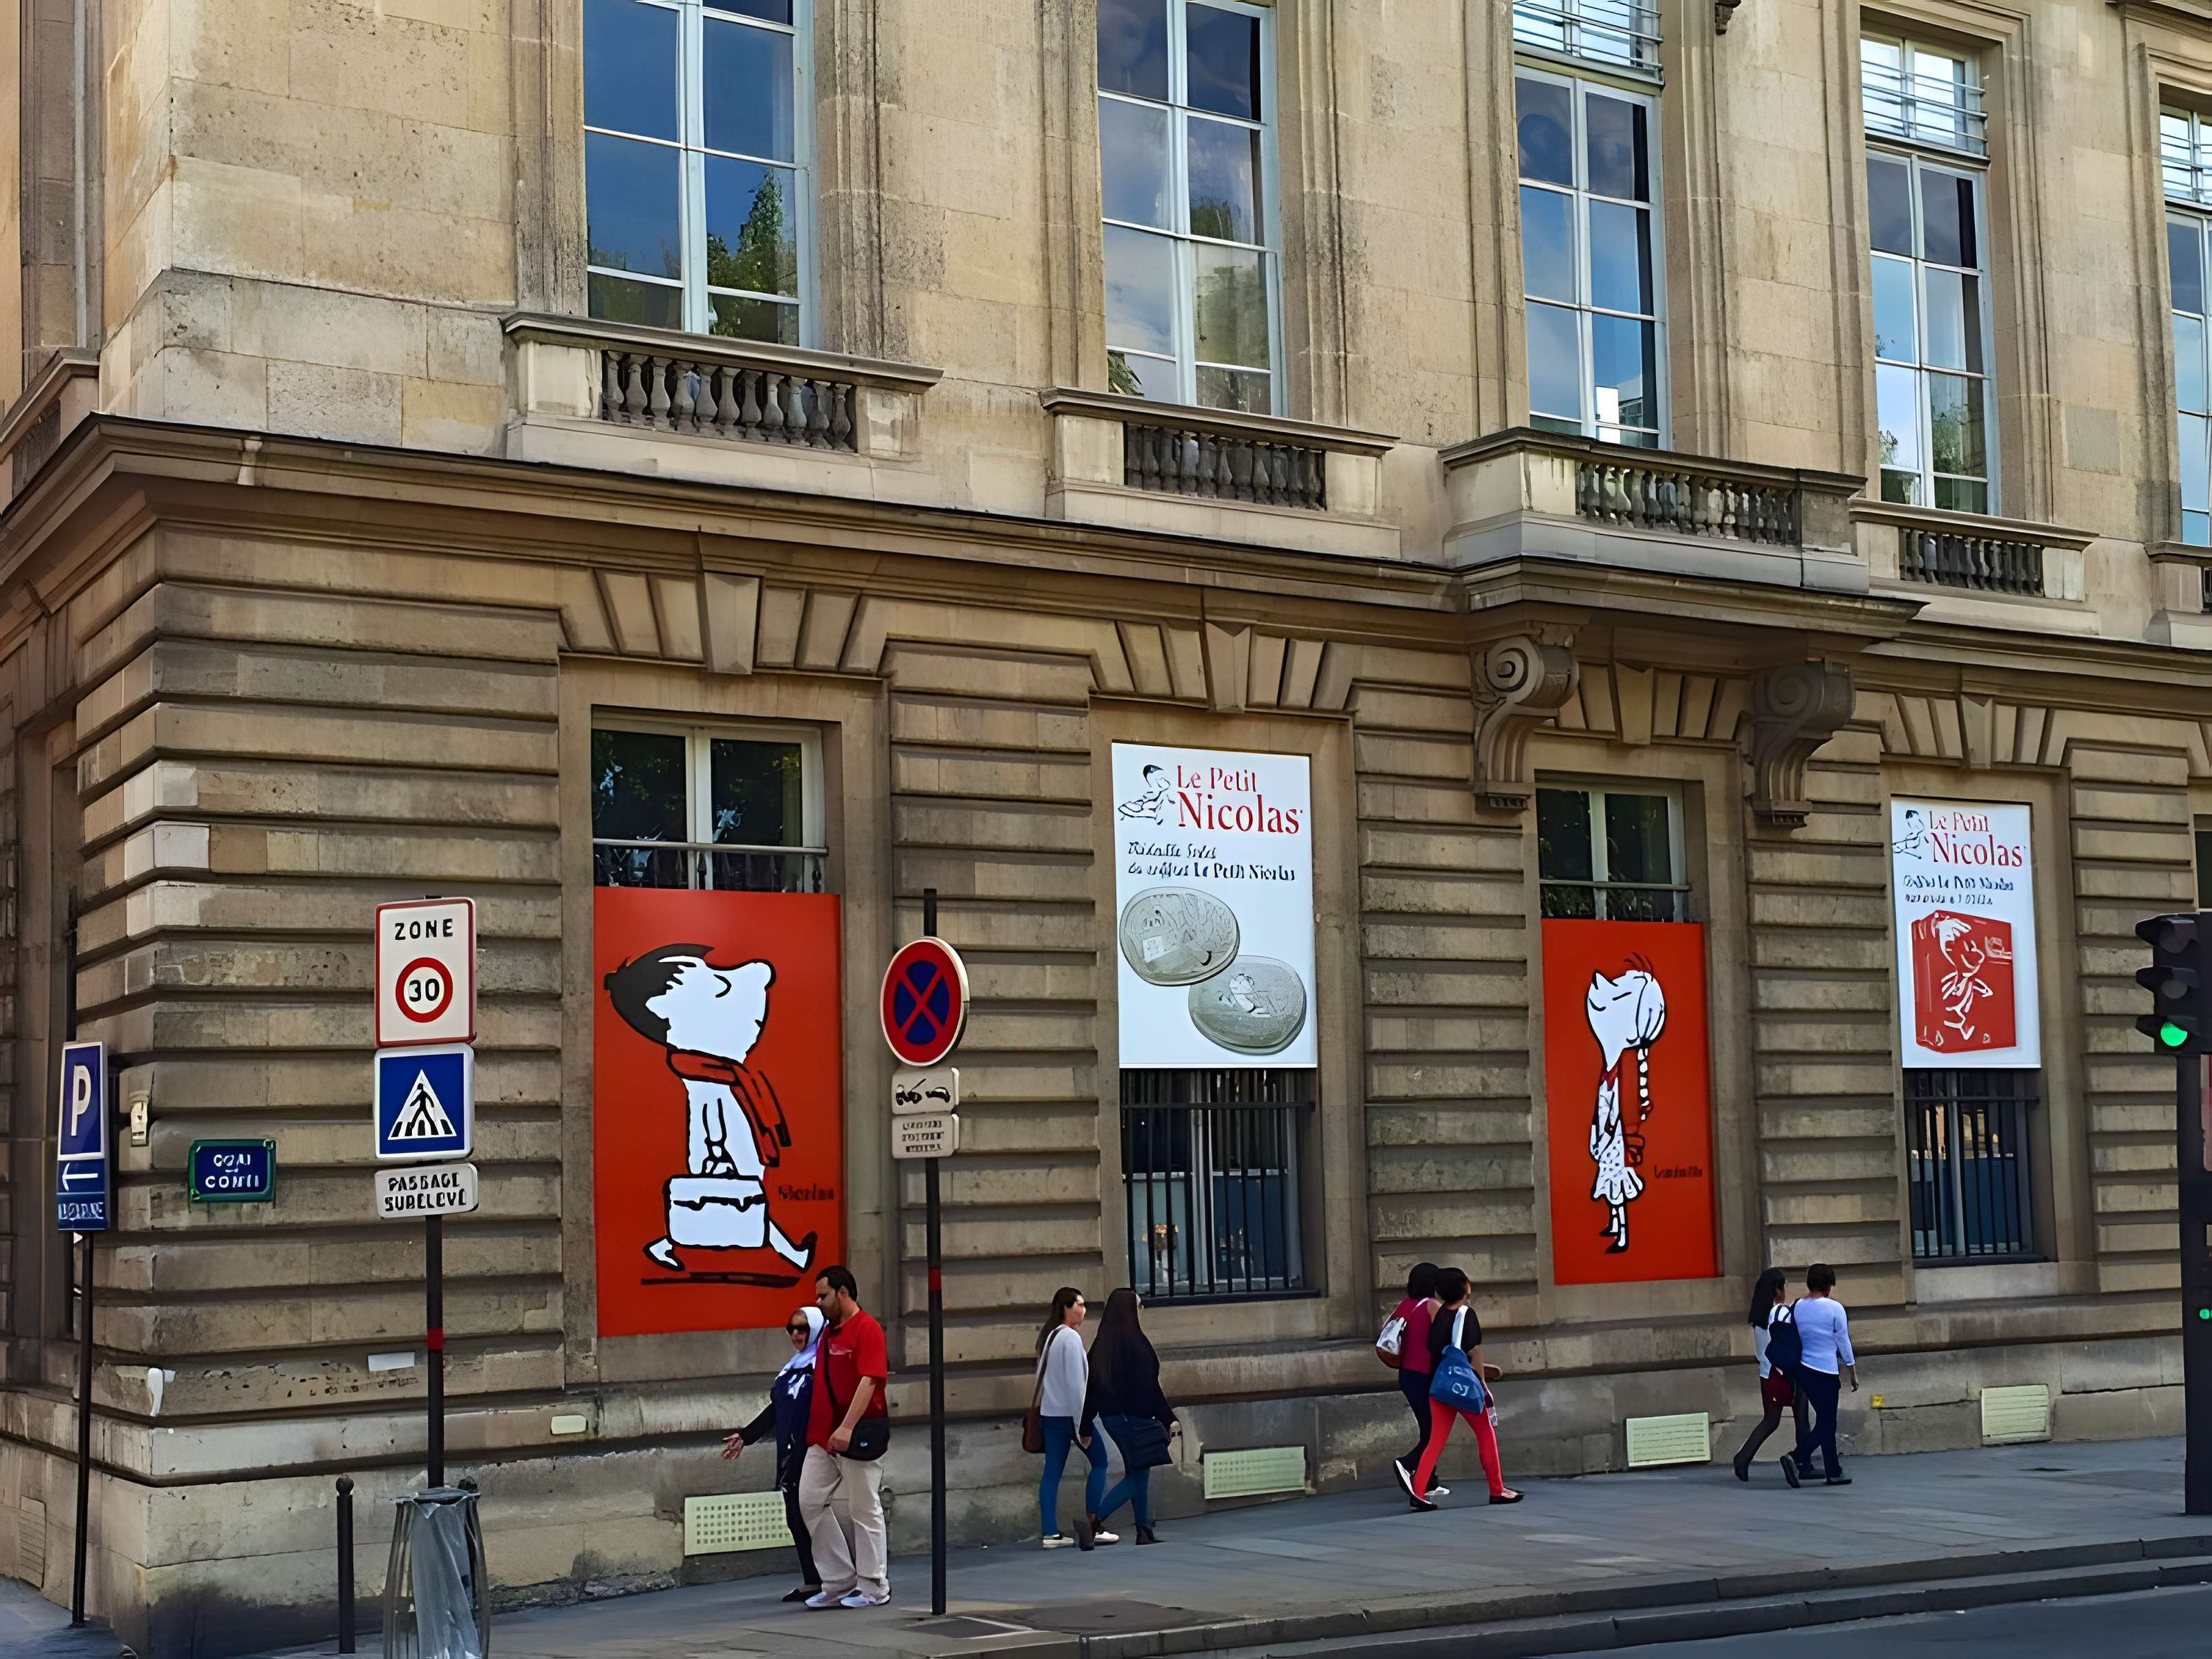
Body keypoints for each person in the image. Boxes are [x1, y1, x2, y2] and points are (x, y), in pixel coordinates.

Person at [798, 1265, 892, 1607]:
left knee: (864, 1508)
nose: (818, 1302)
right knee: (808, 1501)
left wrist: (848, 1427)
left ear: (842, 1293)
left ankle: (874, 1586)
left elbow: (870, 1380)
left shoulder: (867, 1329)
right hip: (824, 1437)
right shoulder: (830, 1332)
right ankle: (838, 1580)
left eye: (822, 1295)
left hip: (857, 1432)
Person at [720, 1306, 825, 1601]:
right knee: (795, 1516)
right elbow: (778, 1409)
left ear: (816, 1329)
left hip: (814, 1449)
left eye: (802, 1328)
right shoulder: (793, 1366)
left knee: (815, 1516)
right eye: (790, 1328)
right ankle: (813, 1580)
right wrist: (746, 1436)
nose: (795, 1334)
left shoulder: (823, 1364)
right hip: (790, 1450)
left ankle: (837, 1578)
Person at [1409, 1268, 1520, 1510]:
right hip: (1464, 1386)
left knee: (1435, 1441)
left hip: (1439, 1386)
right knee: (1485, 1433)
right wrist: (1482, 1384)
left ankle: (1418, 1491)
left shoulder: (1439, 1315)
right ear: (1464, 1287)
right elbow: (1474, 1352)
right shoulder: (1466, 1313)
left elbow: (1433, 1347)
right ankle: (1497, 1489)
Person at [1080, 1288, 1178, 1547]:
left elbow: (1090, 1387)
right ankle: (1094, 1521)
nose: (1140, 1311)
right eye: (1139, 1306)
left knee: (1137, 1470)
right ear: (1129, 1310)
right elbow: (1151, 1387)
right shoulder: (1136, 1341)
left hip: (1112, 1419)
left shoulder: (1102, 1342)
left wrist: (1086, 1424)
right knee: (1138, 1475)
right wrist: (1168, 1419)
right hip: (1135, 1418)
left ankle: (1143, 1530)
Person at [1032, 1287, 1110, 1547]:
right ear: (1065, 1307)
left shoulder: (1049, 1336)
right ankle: (1094, 1525)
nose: (1083, 1309)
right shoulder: (1071, 1339)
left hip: (1050, 1414)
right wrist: (1082, 1426)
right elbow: (1078, 1387)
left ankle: (1049, 1532)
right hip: (1070, 1416)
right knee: (1100, 1462)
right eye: (1079, 1304)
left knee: (1051, 1474)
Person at [1730, 1268, 1810, 1483]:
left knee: (1772, 1420)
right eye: (1783, 1287)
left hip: (1769, 1374)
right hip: (1784, 1373)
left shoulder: (1759, 1317)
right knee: (1800, 1418)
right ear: (1777, 1289)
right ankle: (1803, 1463)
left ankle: (1743, 1458)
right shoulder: (1776, 1315)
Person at [1785, 1262, 1857, 1488]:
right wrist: (1852, 1370)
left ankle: (1833, 1470)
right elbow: (1843, 1341)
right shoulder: (1835, 1308)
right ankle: (1796, 1457)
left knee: (1826, 1422)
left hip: (1804, 1370)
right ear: (1828, 1285)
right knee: (1827, 1424)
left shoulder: (1797, 1307)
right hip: (1826, 1371)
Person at [1385, 1263, 1449, 1501]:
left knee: (1428, 1428)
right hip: (1425, 1375)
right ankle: (1407, 1464)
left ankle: (1430, 1480)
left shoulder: (1405, 1305)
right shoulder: (1432, 1306)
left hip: (1407, 1374)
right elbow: (1445, 1339)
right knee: (1434, 1433)